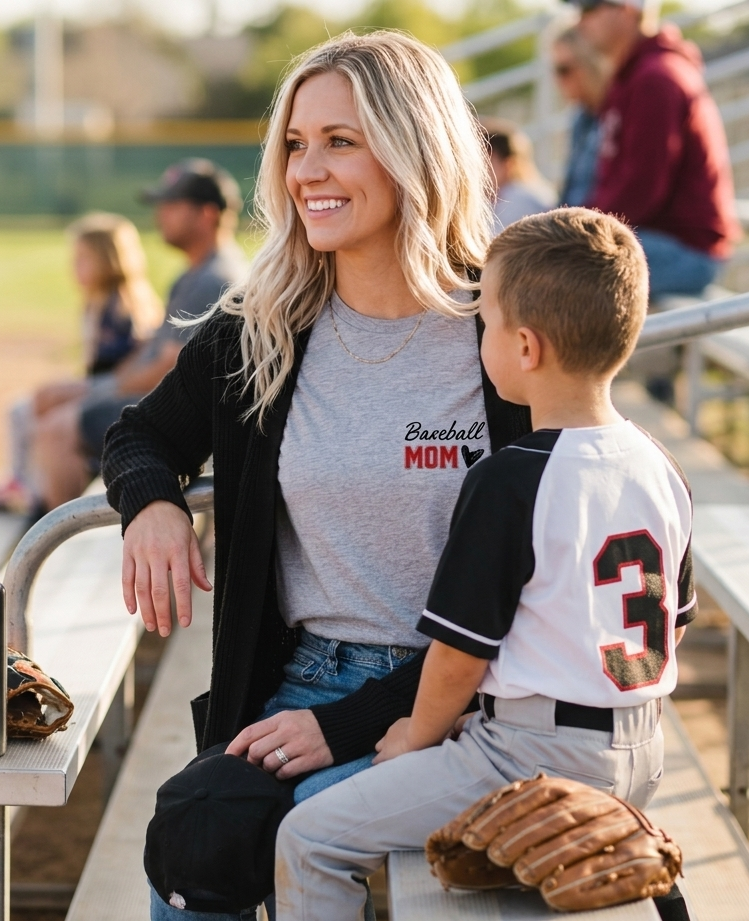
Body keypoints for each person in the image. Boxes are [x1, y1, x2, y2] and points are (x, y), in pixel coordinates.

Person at [102, 30, 530, 921]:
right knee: (196, 848)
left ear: (415, 148)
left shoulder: (511, 325)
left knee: (309, 831)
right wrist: (153, 504)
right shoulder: (260, 330)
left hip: (485, 693)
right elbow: (140, 433)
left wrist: (346, 725)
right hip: (304, 677)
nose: (307, 171)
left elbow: (559, 553)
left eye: (342, 140)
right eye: (296, 145)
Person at [274, 207, 696, 921]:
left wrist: (415, 734)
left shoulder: (511, 476)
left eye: (488, 321)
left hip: (529, 752)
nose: (481, 337)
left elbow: (459, 653)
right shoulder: (658, 463)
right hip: (641, 746)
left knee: (308, 835)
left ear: (524, 346)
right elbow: (672, 627)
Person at [33, 159, 247, 511]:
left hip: (178, 412)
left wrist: (110, 389)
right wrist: (111, 382)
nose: (160, 214)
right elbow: (156, 347)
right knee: (52, 402)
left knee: (58, 427)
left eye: (173, 205)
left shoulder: (214, 277)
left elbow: (171, 365)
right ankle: (43, 512)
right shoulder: (198, 272)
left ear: (207, 215)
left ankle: (56, 540)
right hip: (154, 391)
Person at [0, 213, 161, 515]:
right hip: (103, 384)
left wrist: (81, 388)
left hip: (118, 392)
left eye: (83, 259)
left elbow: (135, 362)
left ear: (108, 259)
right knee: (26, 408)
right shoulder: (98, 300)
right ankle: (25, 483)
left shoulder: (126, 304)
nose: (74, 267)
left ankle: (31, 488)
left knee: (35, 407)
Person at [567, 0, 741, 297]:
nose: (579, 21)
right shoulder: (634, 75)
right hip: (659, 238)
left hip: (684, 249)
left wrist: (577, 230)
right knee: (546, 257)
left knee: (553, 269)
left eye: (590, 9)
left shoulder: (656, 77)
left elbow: (641, 188)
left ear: (627, 10)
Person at [553, 26, 612, 206]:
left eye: (564, 70)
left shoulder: (617, 115)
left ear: (592, 65)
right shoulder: (580, 118)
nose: (558, 79)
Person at [481, 117, 556, 231]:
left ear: (509, 163)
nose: (482, 172)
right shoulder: (497, 198)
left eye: (487, 163)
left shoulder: (521, 198)